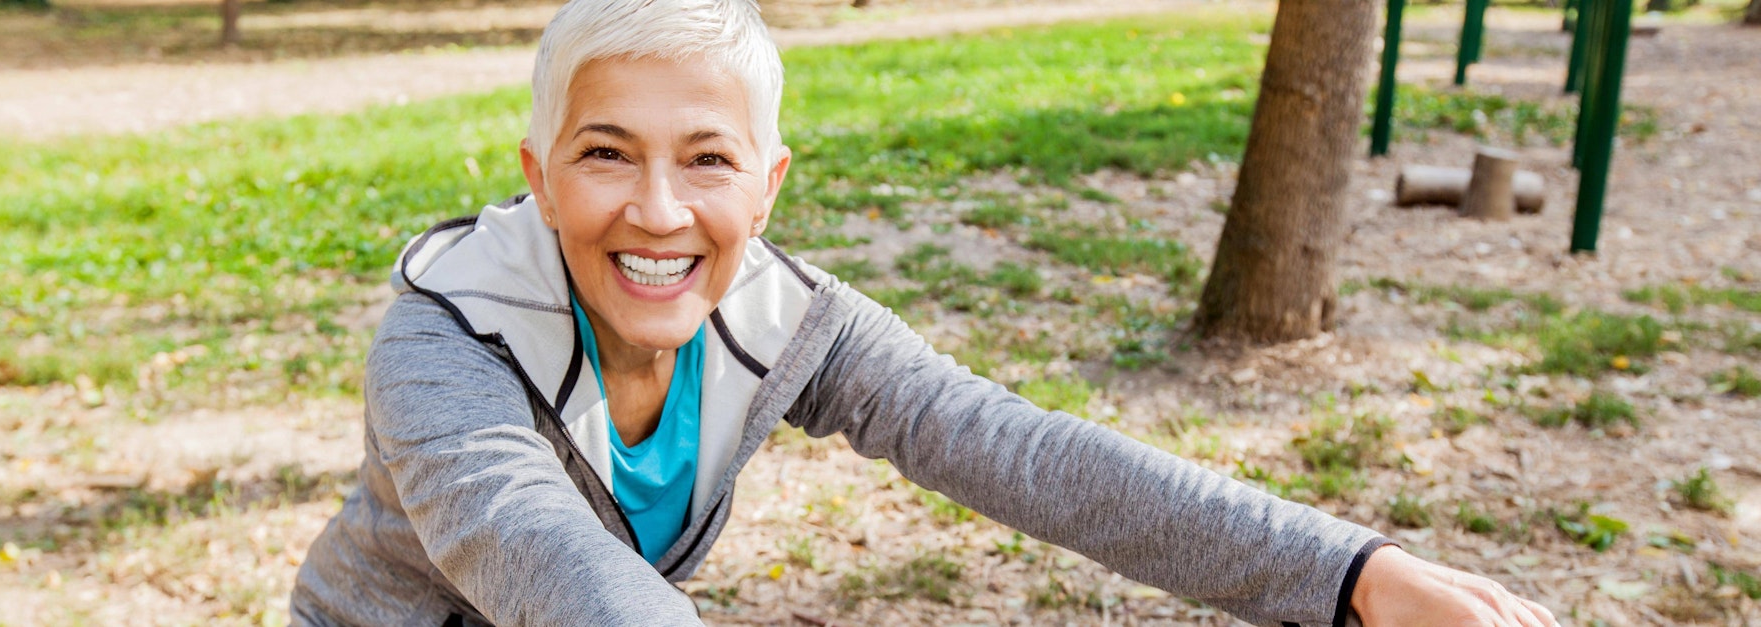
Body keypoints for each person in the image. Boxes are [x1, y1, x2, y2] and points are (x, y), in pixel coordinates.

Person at [290, 0, 1562, 625]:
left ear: (769, 180)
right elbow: (536, 553)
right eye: (607, 155)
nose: (660, 212)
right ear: (538, 173)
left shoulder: (797, 321)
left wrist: (1350, 575)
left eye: (710, 160)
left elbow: (1020, 450)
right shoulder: (441, 337)